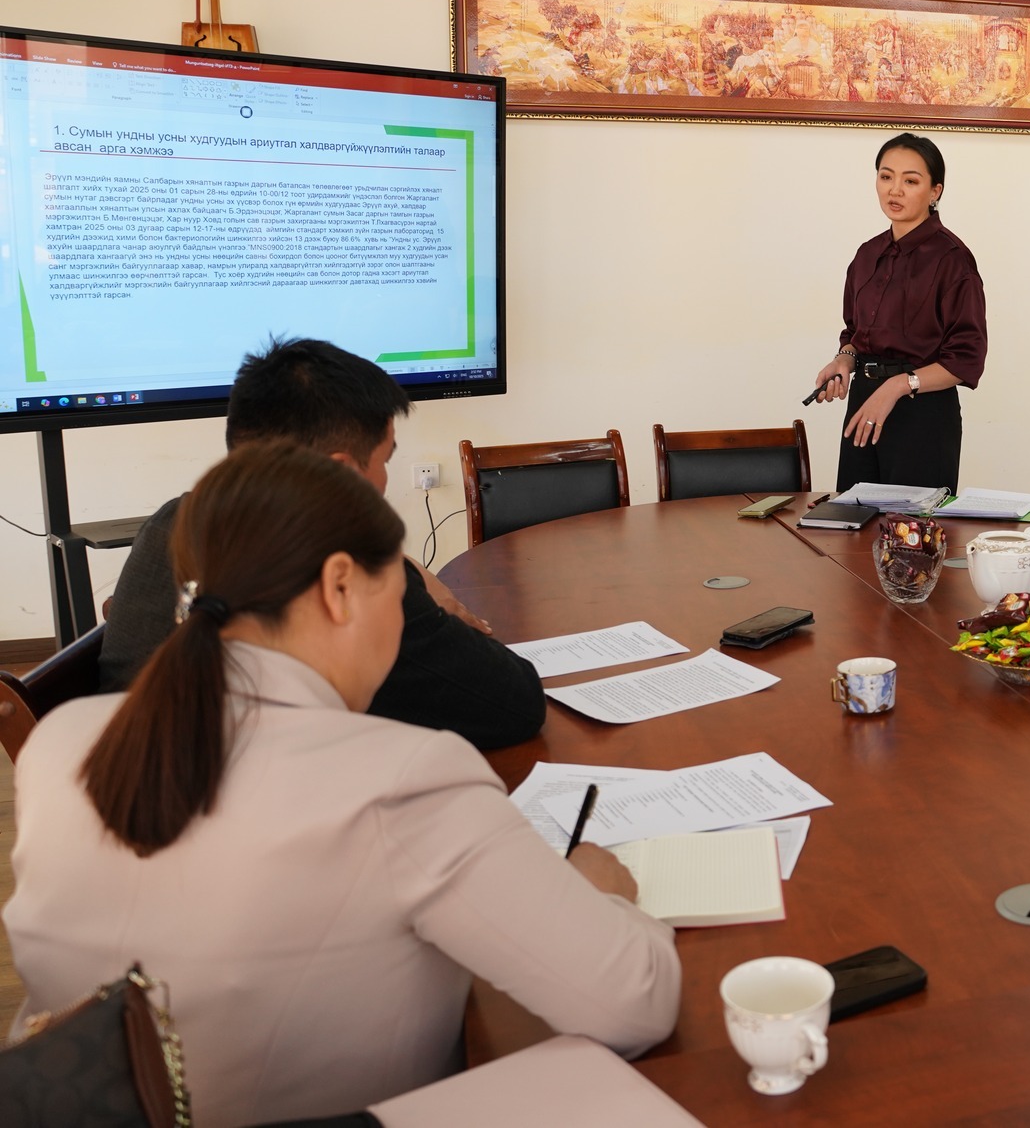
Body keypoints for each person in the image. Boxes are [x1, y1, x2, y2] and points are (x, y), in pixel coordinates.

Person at [5, 442, 680, 1126]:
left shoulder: (60, 744)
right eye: (403, 595)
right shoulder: (406, 777)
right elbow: (635, 1005)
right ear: (339, 587)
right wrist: (604, 894)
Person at [98, 337, 545, 750]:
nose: (384, 480)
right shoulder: (347, 573)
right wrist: (411, 582)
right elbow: (515, 704)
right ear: (343, 472)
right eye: (385, 460)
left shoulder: (170, 523)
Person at [814, 132, 987, 492]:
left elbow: (966, 359)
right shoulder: (867, 255)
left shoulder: (953, 260)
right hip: (864, 406)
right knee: (852, 518)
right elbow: (855, 334)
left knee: (913, 526)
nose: (895, 190)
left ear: (935, 191)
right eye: (886, 176)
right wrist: (844, 361)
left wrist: (896, 386)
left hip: (922, 414)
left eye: (911, 181)